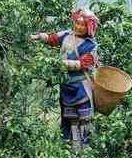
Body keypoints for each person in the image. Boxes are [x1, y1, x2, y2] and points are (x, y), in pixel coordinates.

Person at [30, 8, 100, 149]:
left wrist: (57, 64)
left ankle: (85, 151)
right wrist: (38, 37)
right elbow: (52, 38)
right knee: (70, 119)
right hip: (66, 86)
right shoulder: (66, 35)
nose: (79, 27)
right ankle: (71, 150)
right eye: (77, 23)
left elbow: (83, 64)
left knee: (84, 119)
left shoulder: (90, 45)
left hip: (81, 87)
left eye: (83, 25)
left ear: (89, 27)